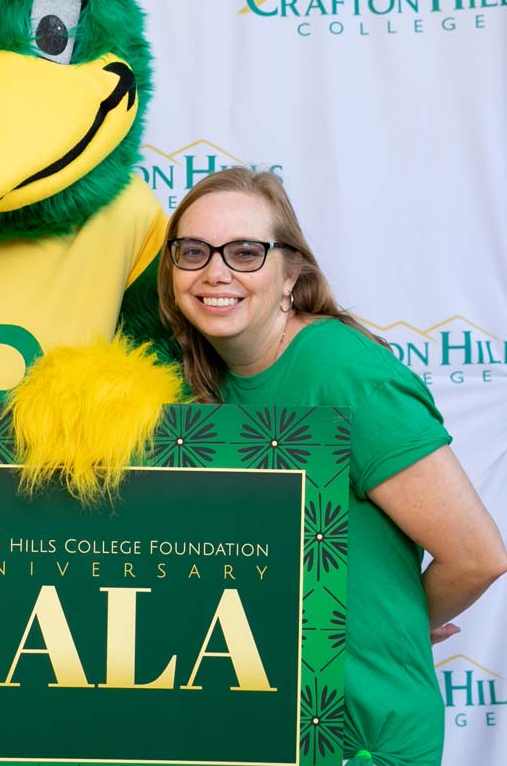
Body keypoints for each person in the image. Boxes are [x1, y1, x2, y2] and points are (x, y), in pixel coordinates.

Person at [157, 167, 507, 766]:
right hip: (264, 725)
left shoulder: (343, 372)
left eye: (245, 252)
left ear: (292, 273)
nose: (216, 272)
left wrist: (395, 621)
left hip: (362, 733)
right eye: (193, 252)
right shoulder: (201, 384)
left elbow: (479, 556)